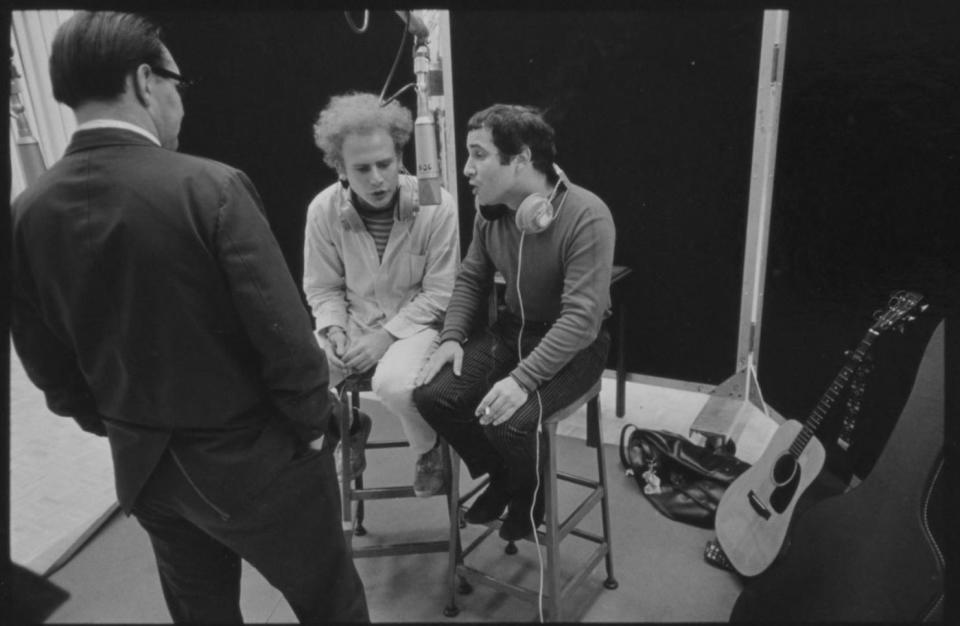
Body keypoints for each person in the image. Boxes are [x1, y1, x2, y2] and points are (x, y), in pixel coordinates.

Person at [10, 11, 368, 623]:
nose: (180, 100)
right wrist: (313, 425)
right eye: (177, 84)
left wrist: (121, 427)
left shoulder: (26, 212)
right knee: (332, 605)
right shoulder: (210, 188)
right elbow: (282, 334)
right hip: (255, 463)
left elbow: (47, 366)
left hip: (146, 471)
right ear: (147, 81)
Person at [413, 104, 616, 541]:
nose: (466, 169)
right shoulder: (490, 213)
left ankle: (528, 492)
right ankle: (505, 474)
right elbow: (471, 278)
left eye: (478, 155)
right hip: (513, 329)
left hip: (577, 344)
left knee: (508, 420)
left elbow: (581, 320)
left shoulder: (587, 215)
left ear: (521, 159)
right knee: (433, 396)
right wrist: (451, 338)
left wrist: (521, 380)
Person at [305, 92, 459, 496]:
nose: (376, 178)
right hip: (354, 321)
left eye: (385, 164)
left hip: (417, 324)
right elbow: (323, 288)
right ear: (340, 167)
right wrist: (334, 330)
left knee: (393, 384)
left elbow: (441, 293)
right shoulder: (322, 211)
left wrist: (385, 337)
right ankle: (348, 426)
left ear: (400, 155)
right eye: (362, 168)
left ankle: (430, 448)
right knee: (293, 374)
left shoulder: (437, 206)